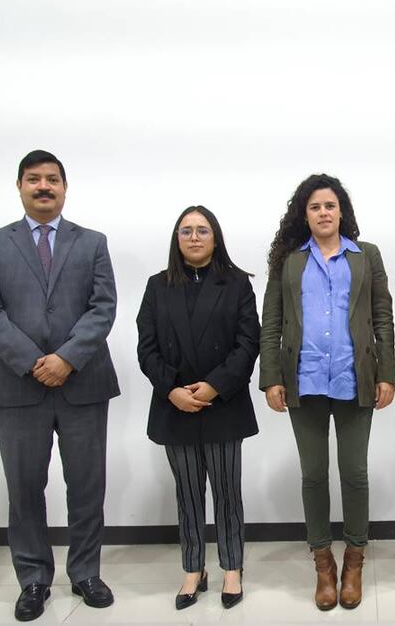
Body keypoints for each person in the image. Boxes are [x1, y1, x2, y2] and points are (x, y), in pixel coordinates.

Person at [0, 150, 119, 622]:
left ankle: (85, 573)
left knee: (87, 485)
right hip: (17, 386)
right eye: (33, 179)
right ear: (19, 187)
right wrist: (36, 362)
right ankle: (33, 579)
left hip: (83, 382)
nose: (43, 186)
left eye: (52, 179)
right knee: (24, 487)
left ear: (65, 187)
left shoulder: (92, 242)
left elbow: (103, 308)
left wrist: (66, 359)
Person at [258, 174, 395, 611]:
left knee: (354, 473)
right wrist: (272, 377)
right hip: (304, 379)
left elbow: (382, 318)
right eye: (315, 206)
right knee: (313, 475)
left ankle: (354, 559)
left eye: (330, 206)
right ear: (305, 214)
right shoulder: (289, 261)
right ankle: (323, 562)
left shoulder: (366, 256)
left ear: (342, 212)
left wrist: (387, 374)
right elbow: (272, 323)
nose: (323, 213)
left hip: (356, 379)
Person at [136, 205, 259, 611]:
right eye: (186, 230)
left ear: (215, 237)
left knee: (227, 493)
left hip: (222, 403)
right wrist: (172, 389)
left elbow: (248, 343)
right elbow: (147, 347)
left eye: (202, 230)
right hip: (176, 405)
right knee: (187, 492)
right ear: (176, 238)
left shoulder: (237, 283)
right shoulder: (157, 286)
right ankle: (193, 568)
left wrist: (213, 387)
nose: (193, 237)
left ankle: (231, 567)